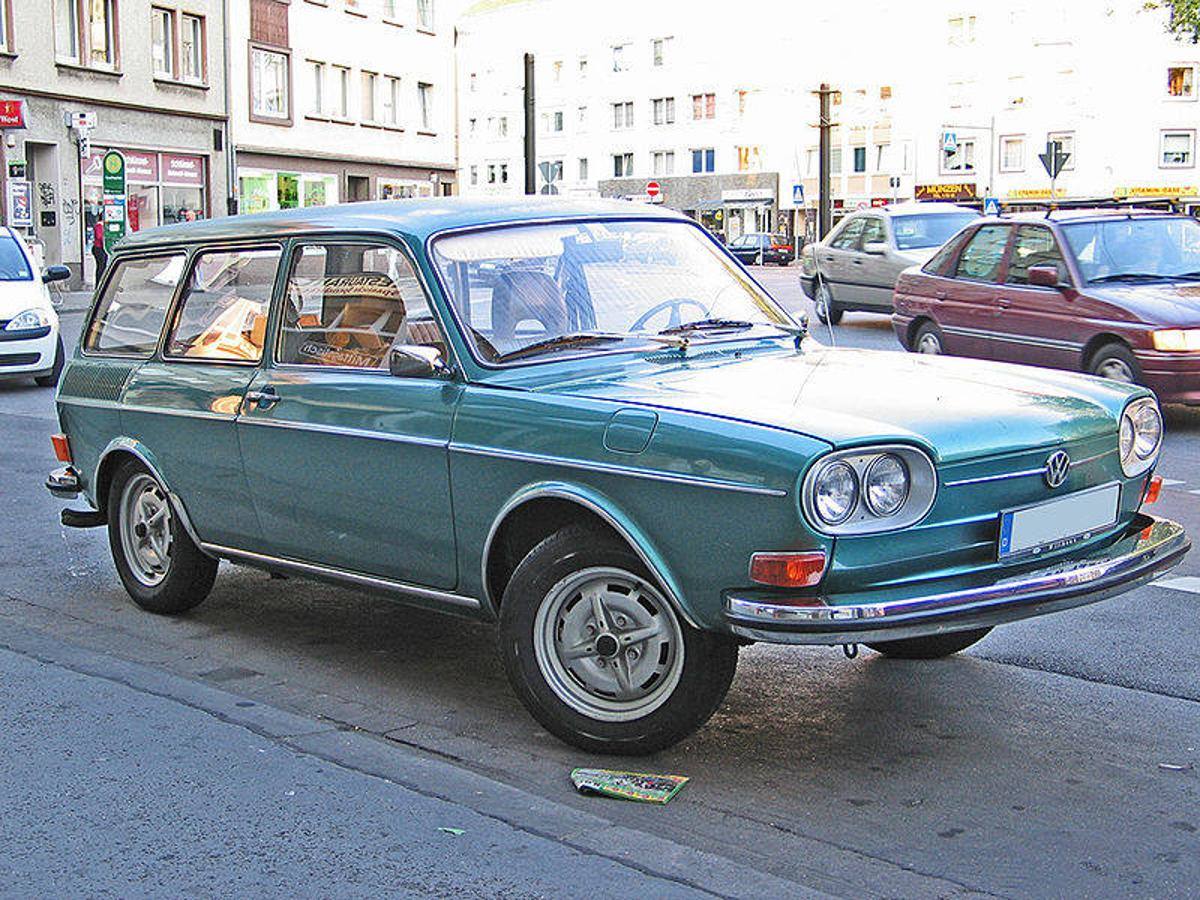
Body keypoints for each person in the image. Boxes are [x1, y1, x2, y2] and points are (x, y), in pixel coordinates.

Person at [91, 218, 107, 282]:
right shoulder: (99, 225)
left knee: (101, 266)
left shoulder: (100, 225)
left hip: (100, 247)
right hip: (99, 247)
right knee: (101, 266)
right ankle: (99, 281)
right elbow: (99, 236)